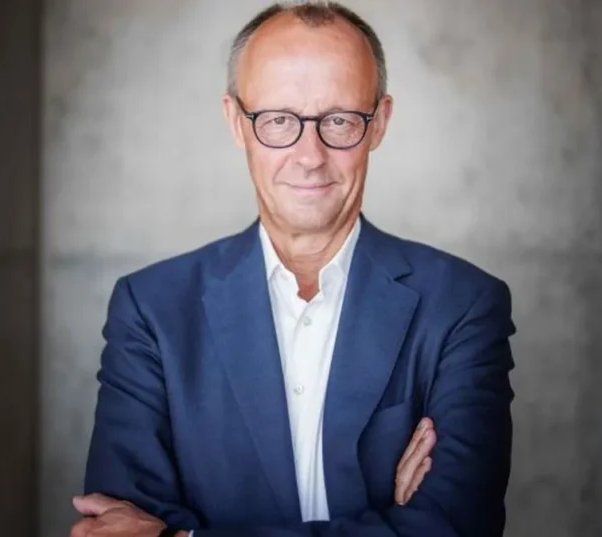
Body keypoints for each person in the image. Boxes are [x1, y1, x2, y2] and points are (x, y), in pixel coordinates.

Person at [70, 2, 515, 536]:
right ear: (237, 123)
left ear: (379, 123)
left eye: (340, 120)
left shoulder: (463, 306)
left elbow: (454, 528)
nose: (310, 156)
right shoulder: (151, 311)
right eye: (278, 120)